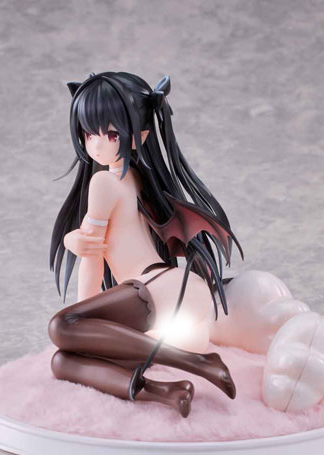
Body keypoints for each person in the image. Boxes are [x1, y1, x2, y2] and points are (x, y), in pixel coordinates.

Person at [48, 72, 243, 417]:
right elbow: (94, 245)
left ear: (139, 136)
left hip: (155, 289)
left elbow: (92, 256)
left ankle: (199, 363)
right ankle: (166, 392)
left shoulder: (103, 183)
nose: (97, 145)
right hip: (177, 294)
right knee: (63, 361)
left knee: (61, 327)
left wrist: (81, 318)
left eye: (111, 134)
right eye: (89, 134)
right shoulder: (138, 177)